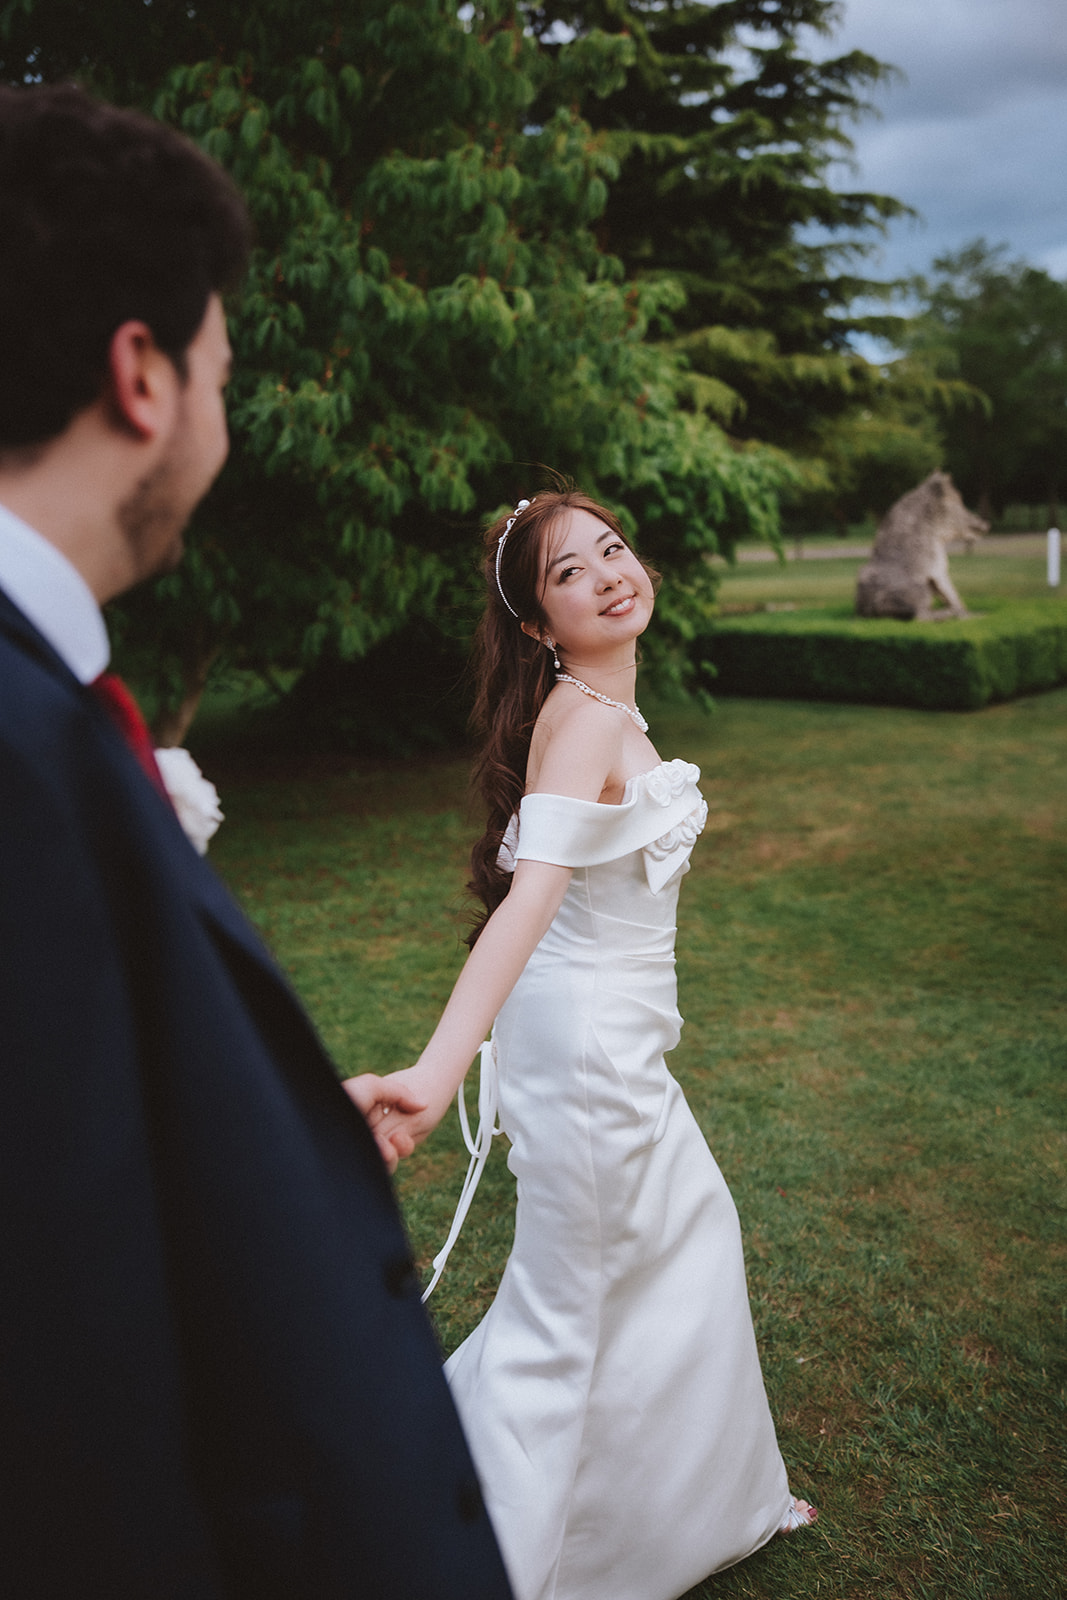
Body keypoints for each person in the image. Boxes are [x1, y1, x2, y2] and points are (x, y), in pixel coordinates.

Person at [0, 83, 512, 1600]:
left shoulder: (46, 704)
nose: (224, 418)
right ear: (142, 376)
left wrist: (262, 1141)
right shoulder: (22, 754)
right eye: (222, 373)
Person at [348, 490, 818, 1600]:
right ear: (534, 623)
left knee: (671, 1254)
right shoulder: (588, 721)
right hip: (589, 1052)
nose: (609, 574)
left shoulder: (594, 704)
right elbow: (528, 902)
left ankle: (717, 1506)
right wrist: (436, 1072)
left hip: (606, 1033)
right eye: (570, 572)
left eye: (612, 550)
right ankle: (479, 1559)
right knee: (574, 1307)